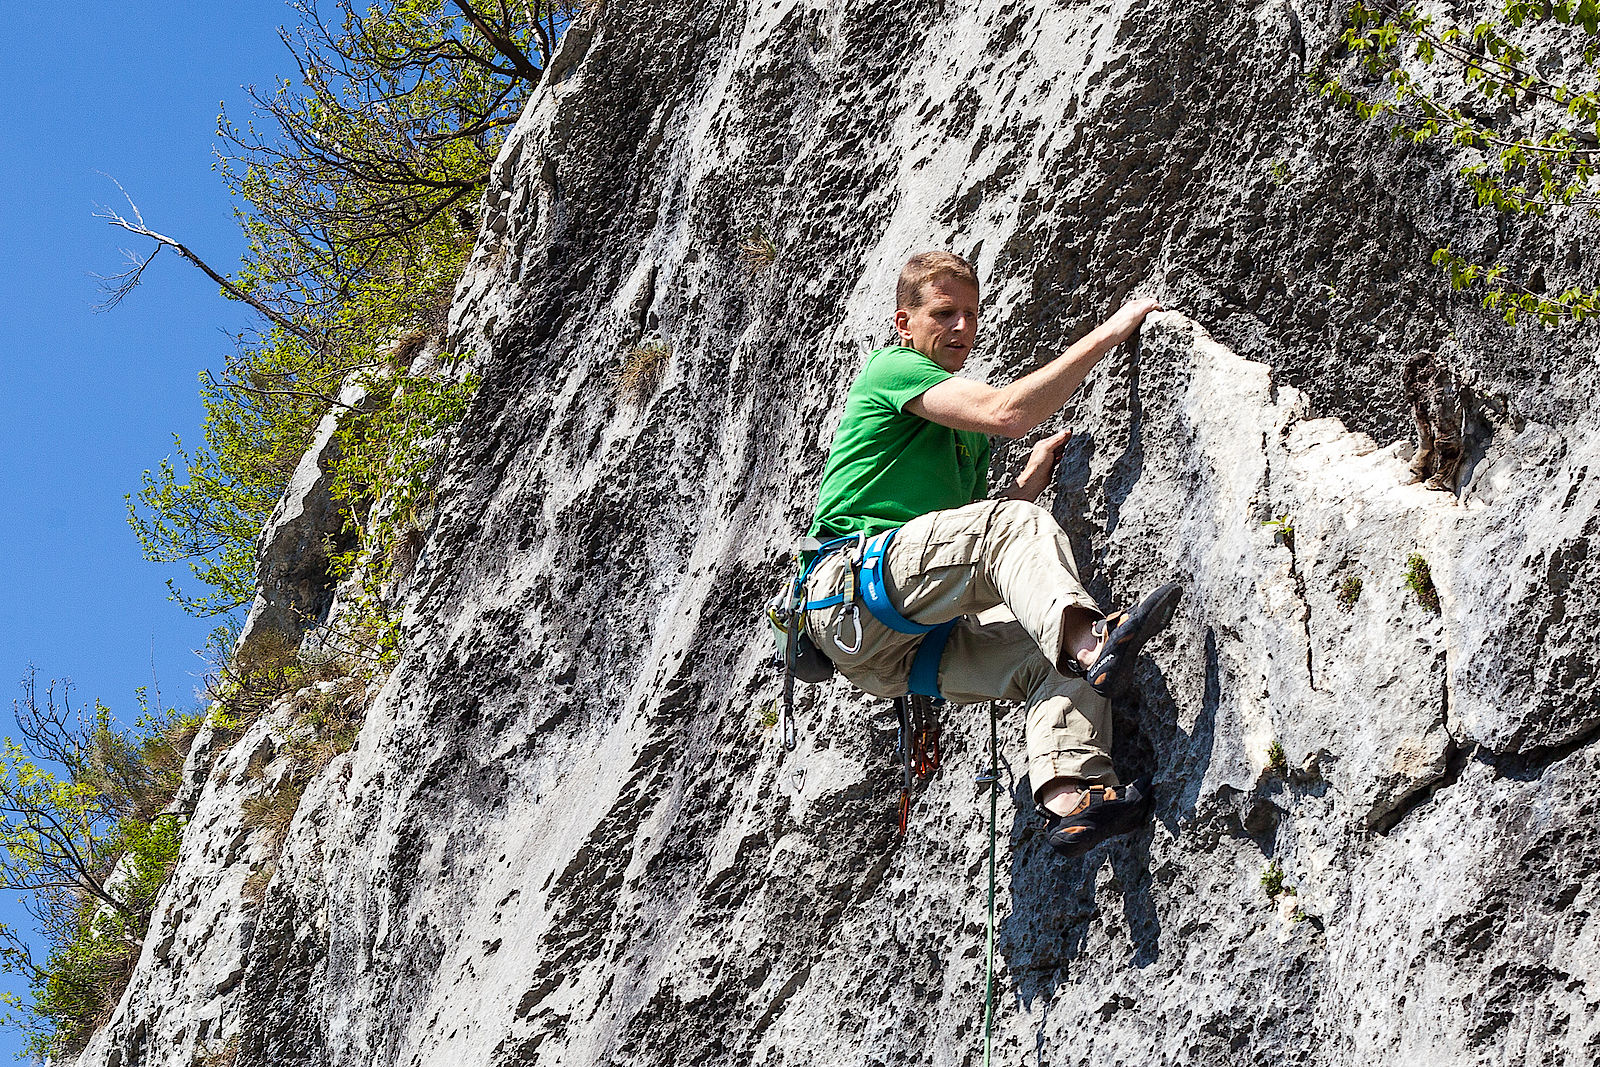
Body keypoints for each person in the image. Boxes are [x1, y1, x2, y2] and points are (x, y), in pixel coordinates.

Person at [799, 250, 1180, 857]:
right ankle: (1091, 641)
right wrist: (1112, 330)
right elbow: (1008, 416)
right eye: (944, 313)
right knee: (1038, 571)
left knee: (1045, 654)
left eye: (971, 315)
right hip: (850, 592)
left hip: (890, 657)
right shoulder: (891, 369)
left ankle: (1072, 799)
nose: (961, 328)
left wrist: (1028, 480)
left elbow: (961, 546)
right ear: (905, 323)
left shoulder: (962, 440)